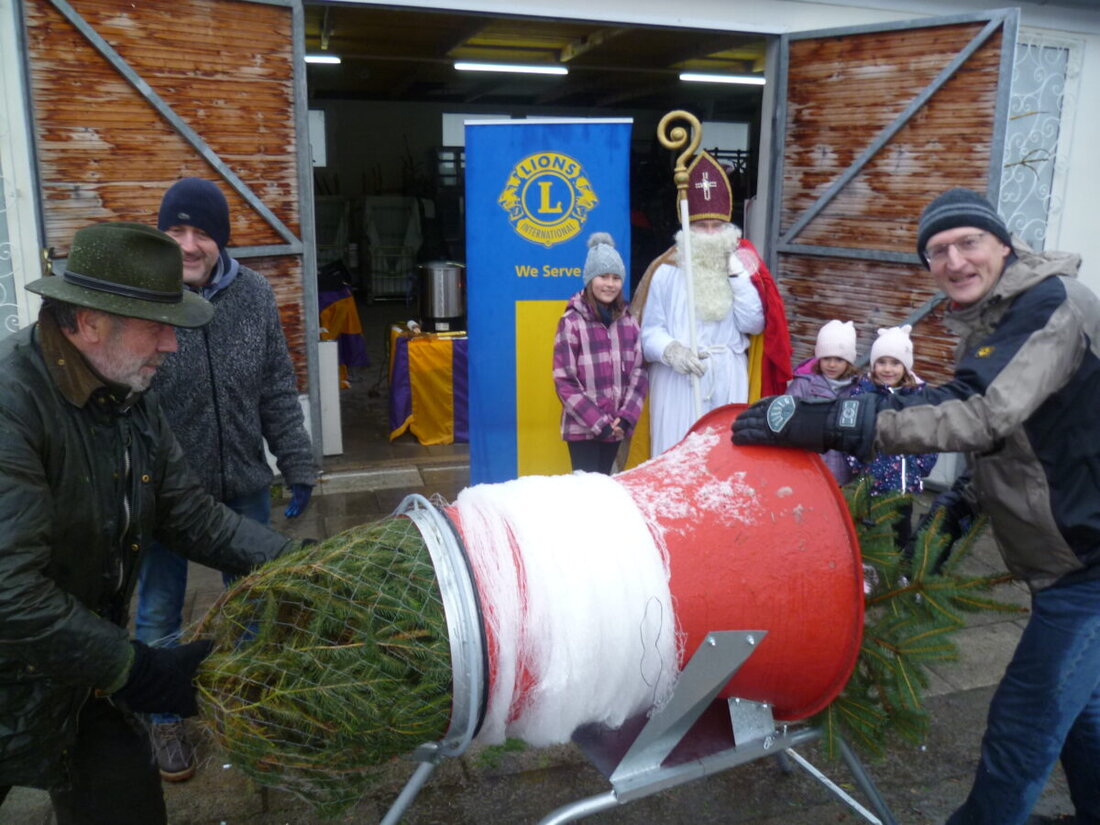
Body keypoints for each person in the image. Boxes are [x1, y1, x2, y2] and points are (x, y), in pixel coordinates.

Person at [733, 187, 1100, 825]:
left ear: (1003, 245)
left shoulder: (1052, 305)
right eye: (937, 251)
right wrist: (960, 508)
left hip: (1090, 564)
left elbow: (982, 413)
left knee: (1023, 725)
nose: (954, 260)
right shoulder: (996, 317)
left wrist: (836, 417)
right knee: (1082, 710)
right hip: (1068, 557)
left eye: (968, 243)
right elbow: (1021, 437)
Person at [0, 221, 305, 825]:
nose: (171, 345)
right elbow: (9, 588)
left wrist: (303, 563)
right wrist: (133, 669)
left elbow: (188, 513)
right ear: (88, 322)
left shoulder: (127, 393)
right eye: (156, 326)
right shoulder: (13, 404)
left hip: (80, 661)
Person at [133, 177, 318, 781]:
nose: (188, 245)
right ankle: (164, 718)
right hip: (162, 498)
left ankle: (248, 700)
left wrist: (298, 465)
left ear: (221, 240)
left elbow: (275, 388)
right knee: (159, 610)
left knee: (253, 600)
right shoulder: (141, 299)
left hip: (242, 484)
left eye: (201, 233)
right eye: (176, 231)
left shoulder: (255, 296)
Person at [635, 150, 785, 456]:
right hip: (677, 380)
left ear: (728, 228)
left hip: (727, 377)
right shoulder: (665, 272)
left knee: (723, 459)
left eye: (717, 226)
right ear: (687, 228)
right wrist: (672, 351)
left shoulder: (743, 267)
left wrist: (736, 276)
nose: (709, 234)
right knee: (675, 457)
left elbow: (754, 325)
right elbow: (648, 333)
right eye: (701, 226)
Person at [553, 232, 648, 474]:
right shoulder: (572, 322)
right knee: (586, 490)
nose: (609, 284)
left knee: (606, 484)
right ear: (589, 279)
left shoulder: (628, 322)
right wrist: (598, 423)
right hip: (582, 429)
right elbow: (564, 381)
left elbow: (639, 372)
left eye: (616, 278)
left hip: (617, 426)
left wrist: (626, 418)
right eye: (603, 276)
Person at [846, 325, 938, 548]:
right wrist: (857, 464)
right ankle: (864, 565)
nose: (888, 369)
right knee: (865, 526)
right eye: (881, 362)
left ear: (905, 367)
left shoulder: (919, 396)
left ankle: (900, 568)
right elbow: (850, 431)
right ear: (873, 364)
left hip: (904, 482)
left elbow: (930, 435)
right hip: (869, 479)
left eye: (895, 363)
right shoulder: (863, 393)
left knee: (901, 525)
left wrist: (922, 465)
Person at [786, 319, 861, 485]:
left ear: (849, 361)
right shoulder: (804, 384)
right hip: (807, 463)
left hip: (842, 469)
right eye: (826, 358)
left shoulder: (857, 390)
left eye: (839, 359)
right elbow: (786, 418)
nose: (832, 365)